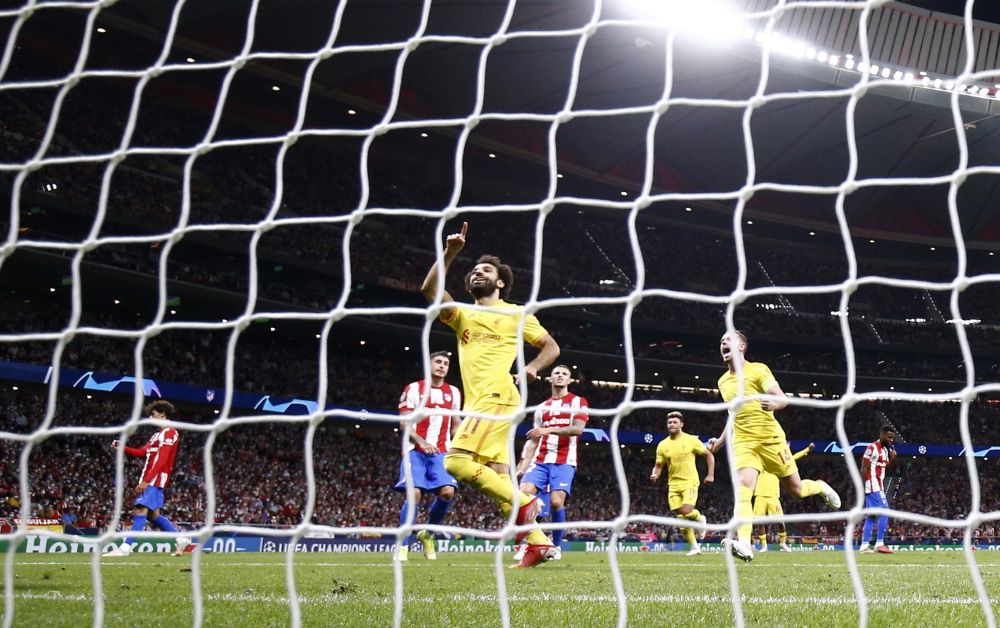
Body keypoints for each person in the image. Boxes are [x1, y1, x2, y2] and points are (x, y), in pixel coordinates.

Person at [420, 222, 561, 569]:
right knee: (498, 477)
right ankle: (539, 543)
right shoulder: (461, 314)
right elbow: (429, 289)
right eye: (473, 270)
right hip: (480, 403)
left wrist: (533, 368)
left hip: (498, 395)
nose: (476, 273)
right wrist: (451, 252)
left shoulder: (516, 313)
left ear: (500, 282)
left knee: (454, 462)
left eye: (485, 270)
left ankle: (525, 505)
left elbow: (551, 347)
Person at [709, 331, 840, 563]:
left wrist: (775, 404)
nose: (723, 343)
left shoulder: (758, 370)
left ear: (742, 347)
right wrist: (720, 442)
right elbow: (732, 415)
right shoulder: (722, 382)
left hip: (770, 439)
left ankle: (819, 486)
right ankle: (745, 545)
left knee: (797, 490)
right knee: (743, 489)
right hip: (744, 443)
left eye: (728, 340)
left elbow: (783, 397)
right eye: (721, 341)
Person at [513, 364, 589, 561]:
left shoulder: (578, 402)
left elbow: (578, 429)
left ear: (569, 380)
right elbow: (533, 440)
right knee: (524, 496)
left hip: (565, 461)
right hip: (540, 460)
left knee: (556, 502)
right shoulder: (541, 409)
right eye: (557, 373)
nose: (560, 376)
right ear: (550, 379)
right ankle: (530, 543)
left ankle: (556, 546)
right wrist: (522, 466)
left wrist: (549, 430)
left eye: (565, 374)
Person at [394, 351, 463, 562]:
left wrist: (463, 444)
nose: (442, 366)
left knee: (448, 493)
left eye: (446, 363)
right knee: (414, 495)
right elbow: (404, 422)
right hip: (415, 451)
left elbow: (455, 424)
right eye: (438, 362)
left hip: (442, 451)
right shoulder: (414, 389)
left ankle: (428, 534)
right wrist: (422, 442)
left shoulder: (454, 392)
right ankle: (402, 546)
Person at [104, 400, 184, 557]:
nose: (151, 417)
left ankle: (125, 548)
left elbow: (162, 460)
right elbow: (142, 453)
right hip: (151, 478)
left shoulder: (170, 433)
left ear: (163, 414)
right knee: (153, 515)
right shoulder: (156, 436)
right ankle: (180, 539)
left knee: (140, 509)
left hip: (156, 479)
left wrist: (146, 480)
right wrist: (123, 447)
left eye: (153, 414)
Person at [649, 411, 714, 556]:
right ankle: (695, 547)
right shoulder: (662, 445)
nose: (671, 424)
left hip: (689, 481)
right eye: (669, 423)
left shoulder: (691, 440)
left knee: (686, 511)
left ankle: (700, 519)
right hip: (673, 485)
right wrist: (655, 474)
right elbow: (658, 465)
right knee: (680, 518)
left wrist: (710, 474)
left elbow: (708, 455)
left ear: (681, 424)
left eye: (674, 422)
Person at [754, 442, 815, 552]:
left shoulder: (779, 463)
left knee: (780, 522)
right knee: (759, 523)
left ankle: (783, 543)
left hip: (773, 496)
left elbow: (793, 458)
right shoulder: (760, 461)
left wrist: (808, 450)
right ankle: (764, 546)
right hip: (760, 495)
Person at [858, 425, 896, 554]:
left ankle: (864, 546)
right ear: (882, 435)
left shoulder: (886, 451)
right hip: (873, 484)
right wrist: (867, 485)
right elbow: (863, 468)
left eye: (892, 438)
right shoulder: (871, 448)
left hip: (878, 484)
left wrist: (892, 459)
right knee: (885, 511)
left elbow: (884, 468)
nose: (891, 440)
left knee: (872, 517)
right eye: (889, 437)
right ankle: (880, 543)